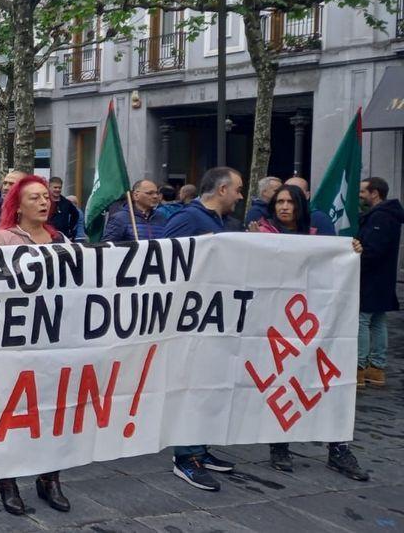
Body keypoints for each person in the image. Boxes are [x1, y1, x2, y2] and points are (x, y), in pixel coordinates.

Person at [250, 184, 369, 480]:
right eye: (279, 202)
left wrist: (350, 251)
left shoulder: (318, 239)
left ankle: (337, 447)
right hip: (277, 323)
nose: (284, 207)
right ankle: (279, 445)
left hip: (316, 320)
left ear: (300, 206)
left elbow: (335, 268)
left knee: (326, 380)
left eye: (290, 201)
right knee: (282, 382)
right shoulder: (259, 236)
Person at [0, 174, 72, 514]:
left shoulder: (60, 239)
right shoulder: (1, 239)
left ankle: (49, 478)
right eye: (34, 197)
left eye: (45, 197)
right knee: (11, 413)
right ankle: (7, 481)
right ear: (17, 206)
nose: (43, 202)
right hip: (13, 342)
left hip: (53, 339)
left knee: (51, 413)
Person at [159, 166, 244, 491]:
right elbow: (164, 256)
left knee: (209, 384)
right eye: (236, 189)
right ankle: (186, 458)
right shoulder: (189, 218)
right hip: (189, 319)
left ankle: (200, 449)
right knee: (190, 387)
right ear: (222, 190)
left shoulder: (224, 222)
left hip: (214, 317)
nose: (239, 195)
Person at [356, 176, 403, 388]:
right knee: (376, 320)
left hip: (372, 278)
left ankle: (361, 366)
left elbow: (372, 250)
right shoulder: (385, 215)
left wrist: (356, 264)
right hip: (381, 279)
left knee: (364, 320)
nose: (359, 195)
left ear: (375, 193)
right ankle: (376, 368)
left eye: (363, 191)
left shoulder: (381, 217)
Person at [103, 180, 168, 242]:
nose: (155, 196)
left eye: (157, 193)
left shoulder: (161, 217)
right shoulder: (120, 218)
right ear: (135, 195)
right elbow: (108, 247)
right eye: (150, 193)